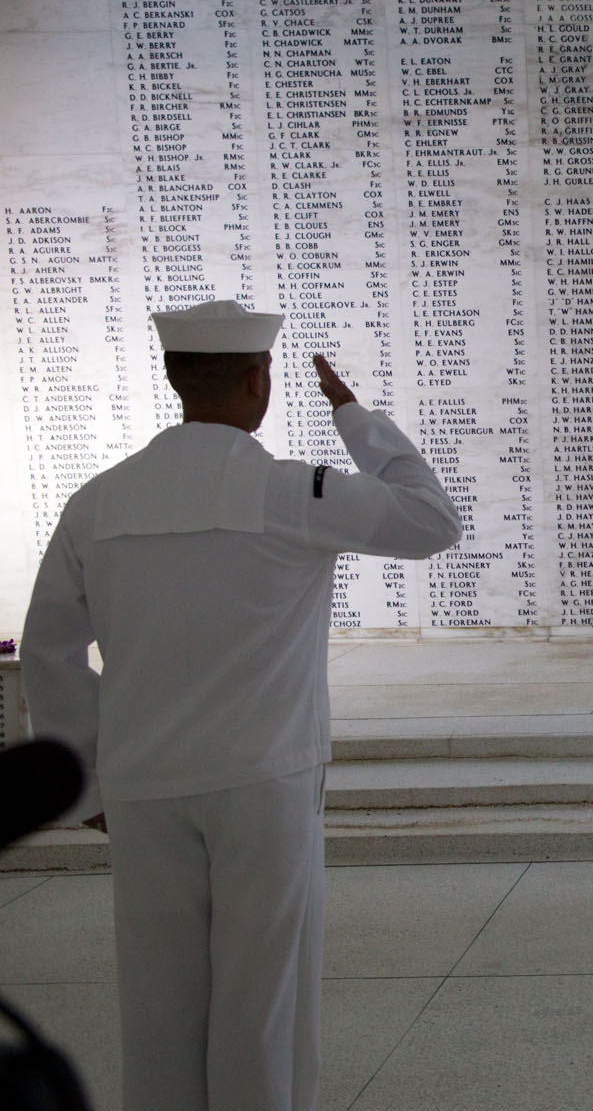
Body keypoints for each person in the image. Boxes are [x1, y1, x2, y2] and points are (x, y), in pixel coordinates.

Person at [21, 299, 462, 1111]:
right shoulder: (298, 493)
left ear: (172, 376)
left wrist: (86, 780)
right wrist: (354, 417)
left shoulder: (97, 502)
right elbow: (433, 521)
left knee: (156, 1001)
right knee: (263, 1000)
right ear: (260, 379)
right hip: (264, 780)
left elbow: (47, 647)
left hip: (143, 784)